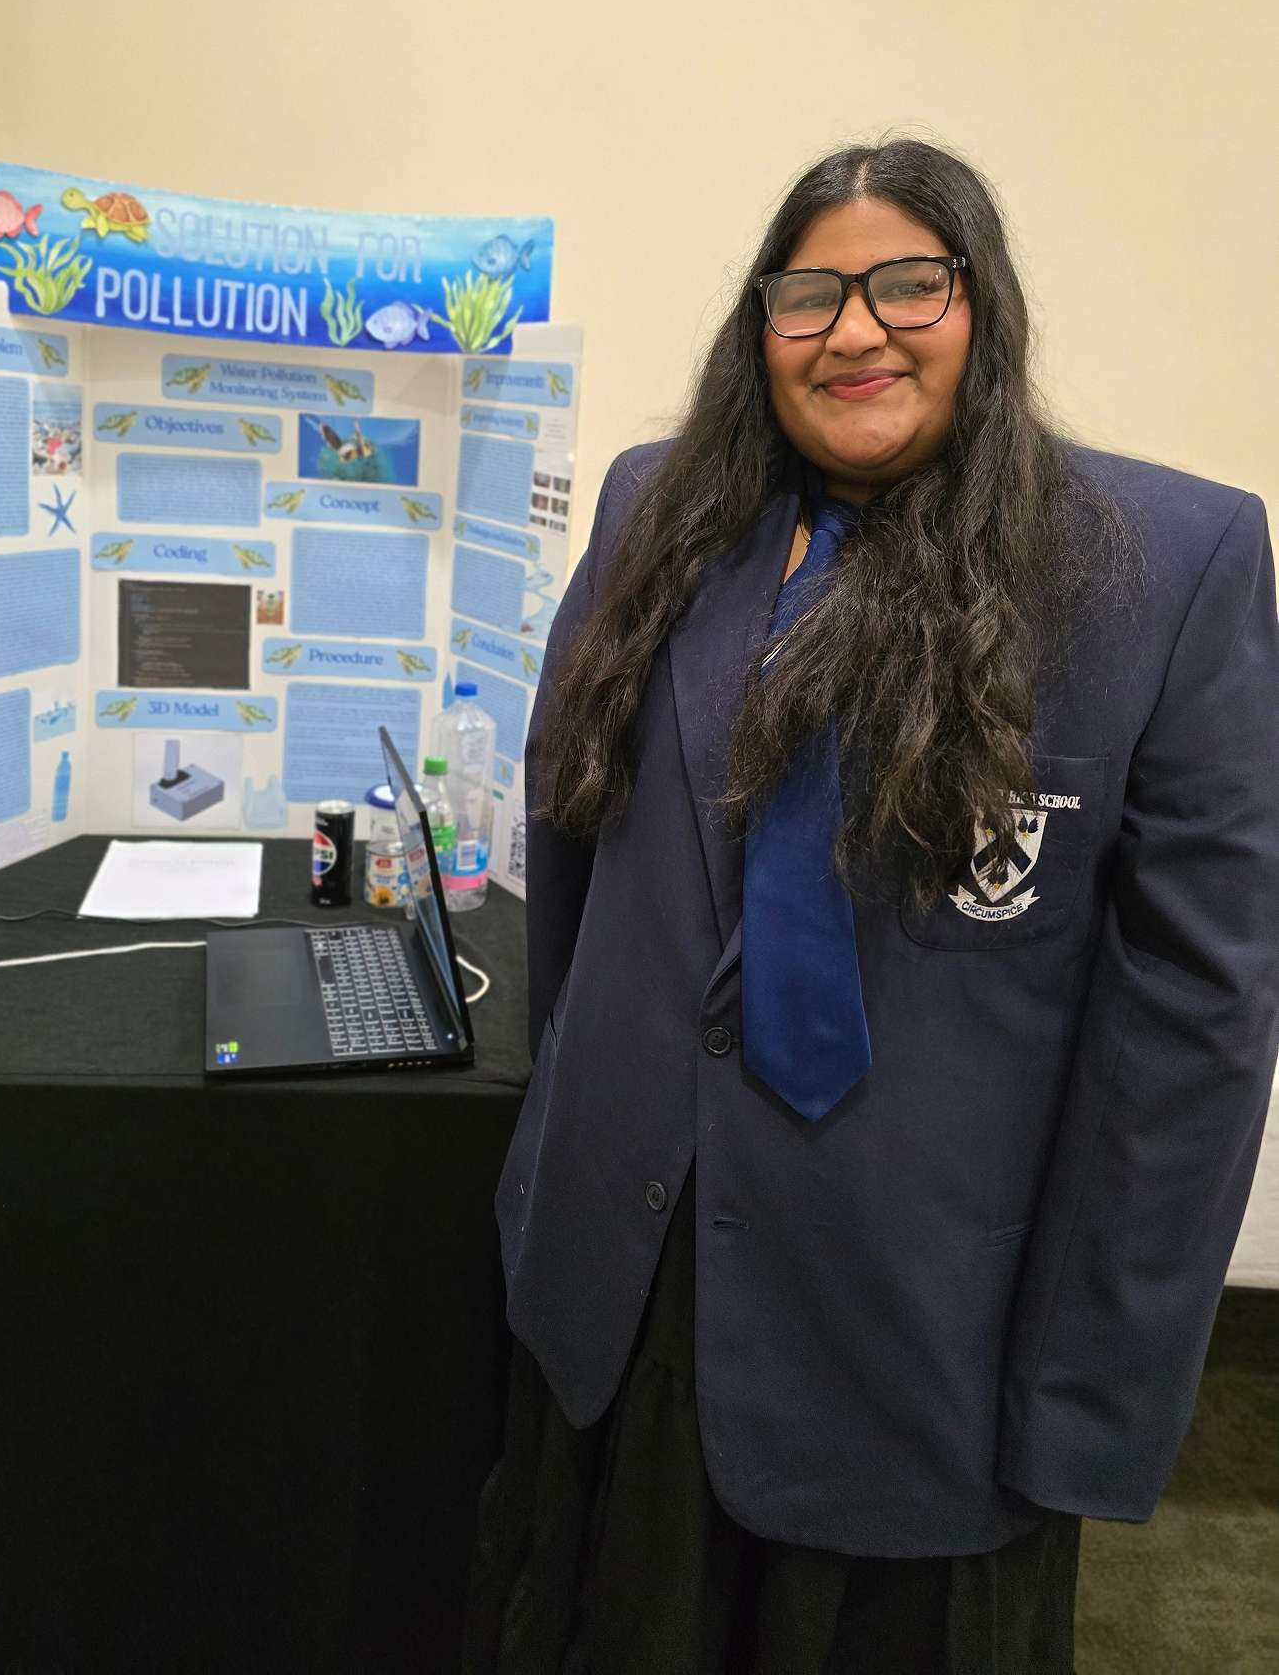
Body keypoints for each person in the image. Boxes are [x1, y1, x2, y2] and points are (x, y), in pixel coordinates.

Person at [461, 137, 1279, 1674]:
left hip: (925, 1347)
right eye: (809, 294)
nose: (855, 330)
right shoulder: (657, 513)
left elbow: (1196, 1032)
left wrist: (1089, 1405)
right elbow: (573, 854)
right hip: (632, 1297)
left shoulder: (1165, 569)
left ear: (984, 306)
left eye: (909, 284)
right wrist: (558, 1158)